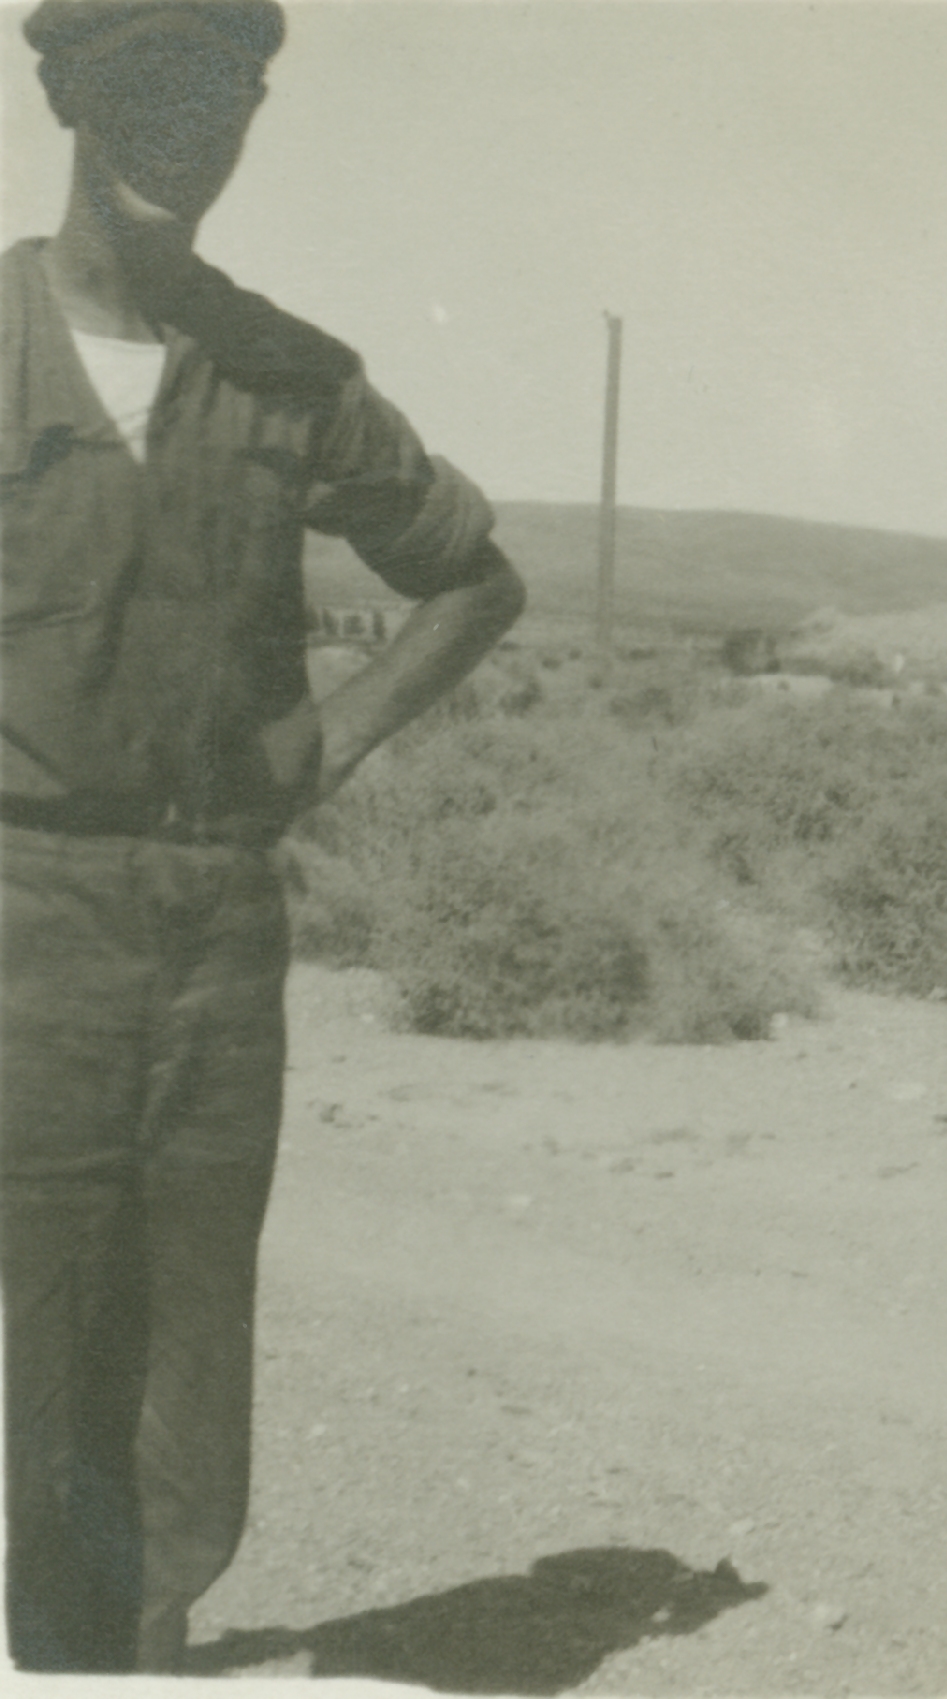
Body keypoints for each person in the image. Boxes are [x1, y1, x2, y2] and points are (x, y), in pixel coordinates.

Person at [3, 0, 527, 1672]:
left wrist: (340, 737)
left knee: (189, 1325)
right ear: (75, 100)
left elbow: (471, 575)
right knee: (33, 1320)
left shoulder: (289, 372)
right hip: (25, 911)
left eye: (224, 101)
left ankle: (145, 1633)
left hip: (220, 933)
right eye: (152, 93)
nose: (189, 136)